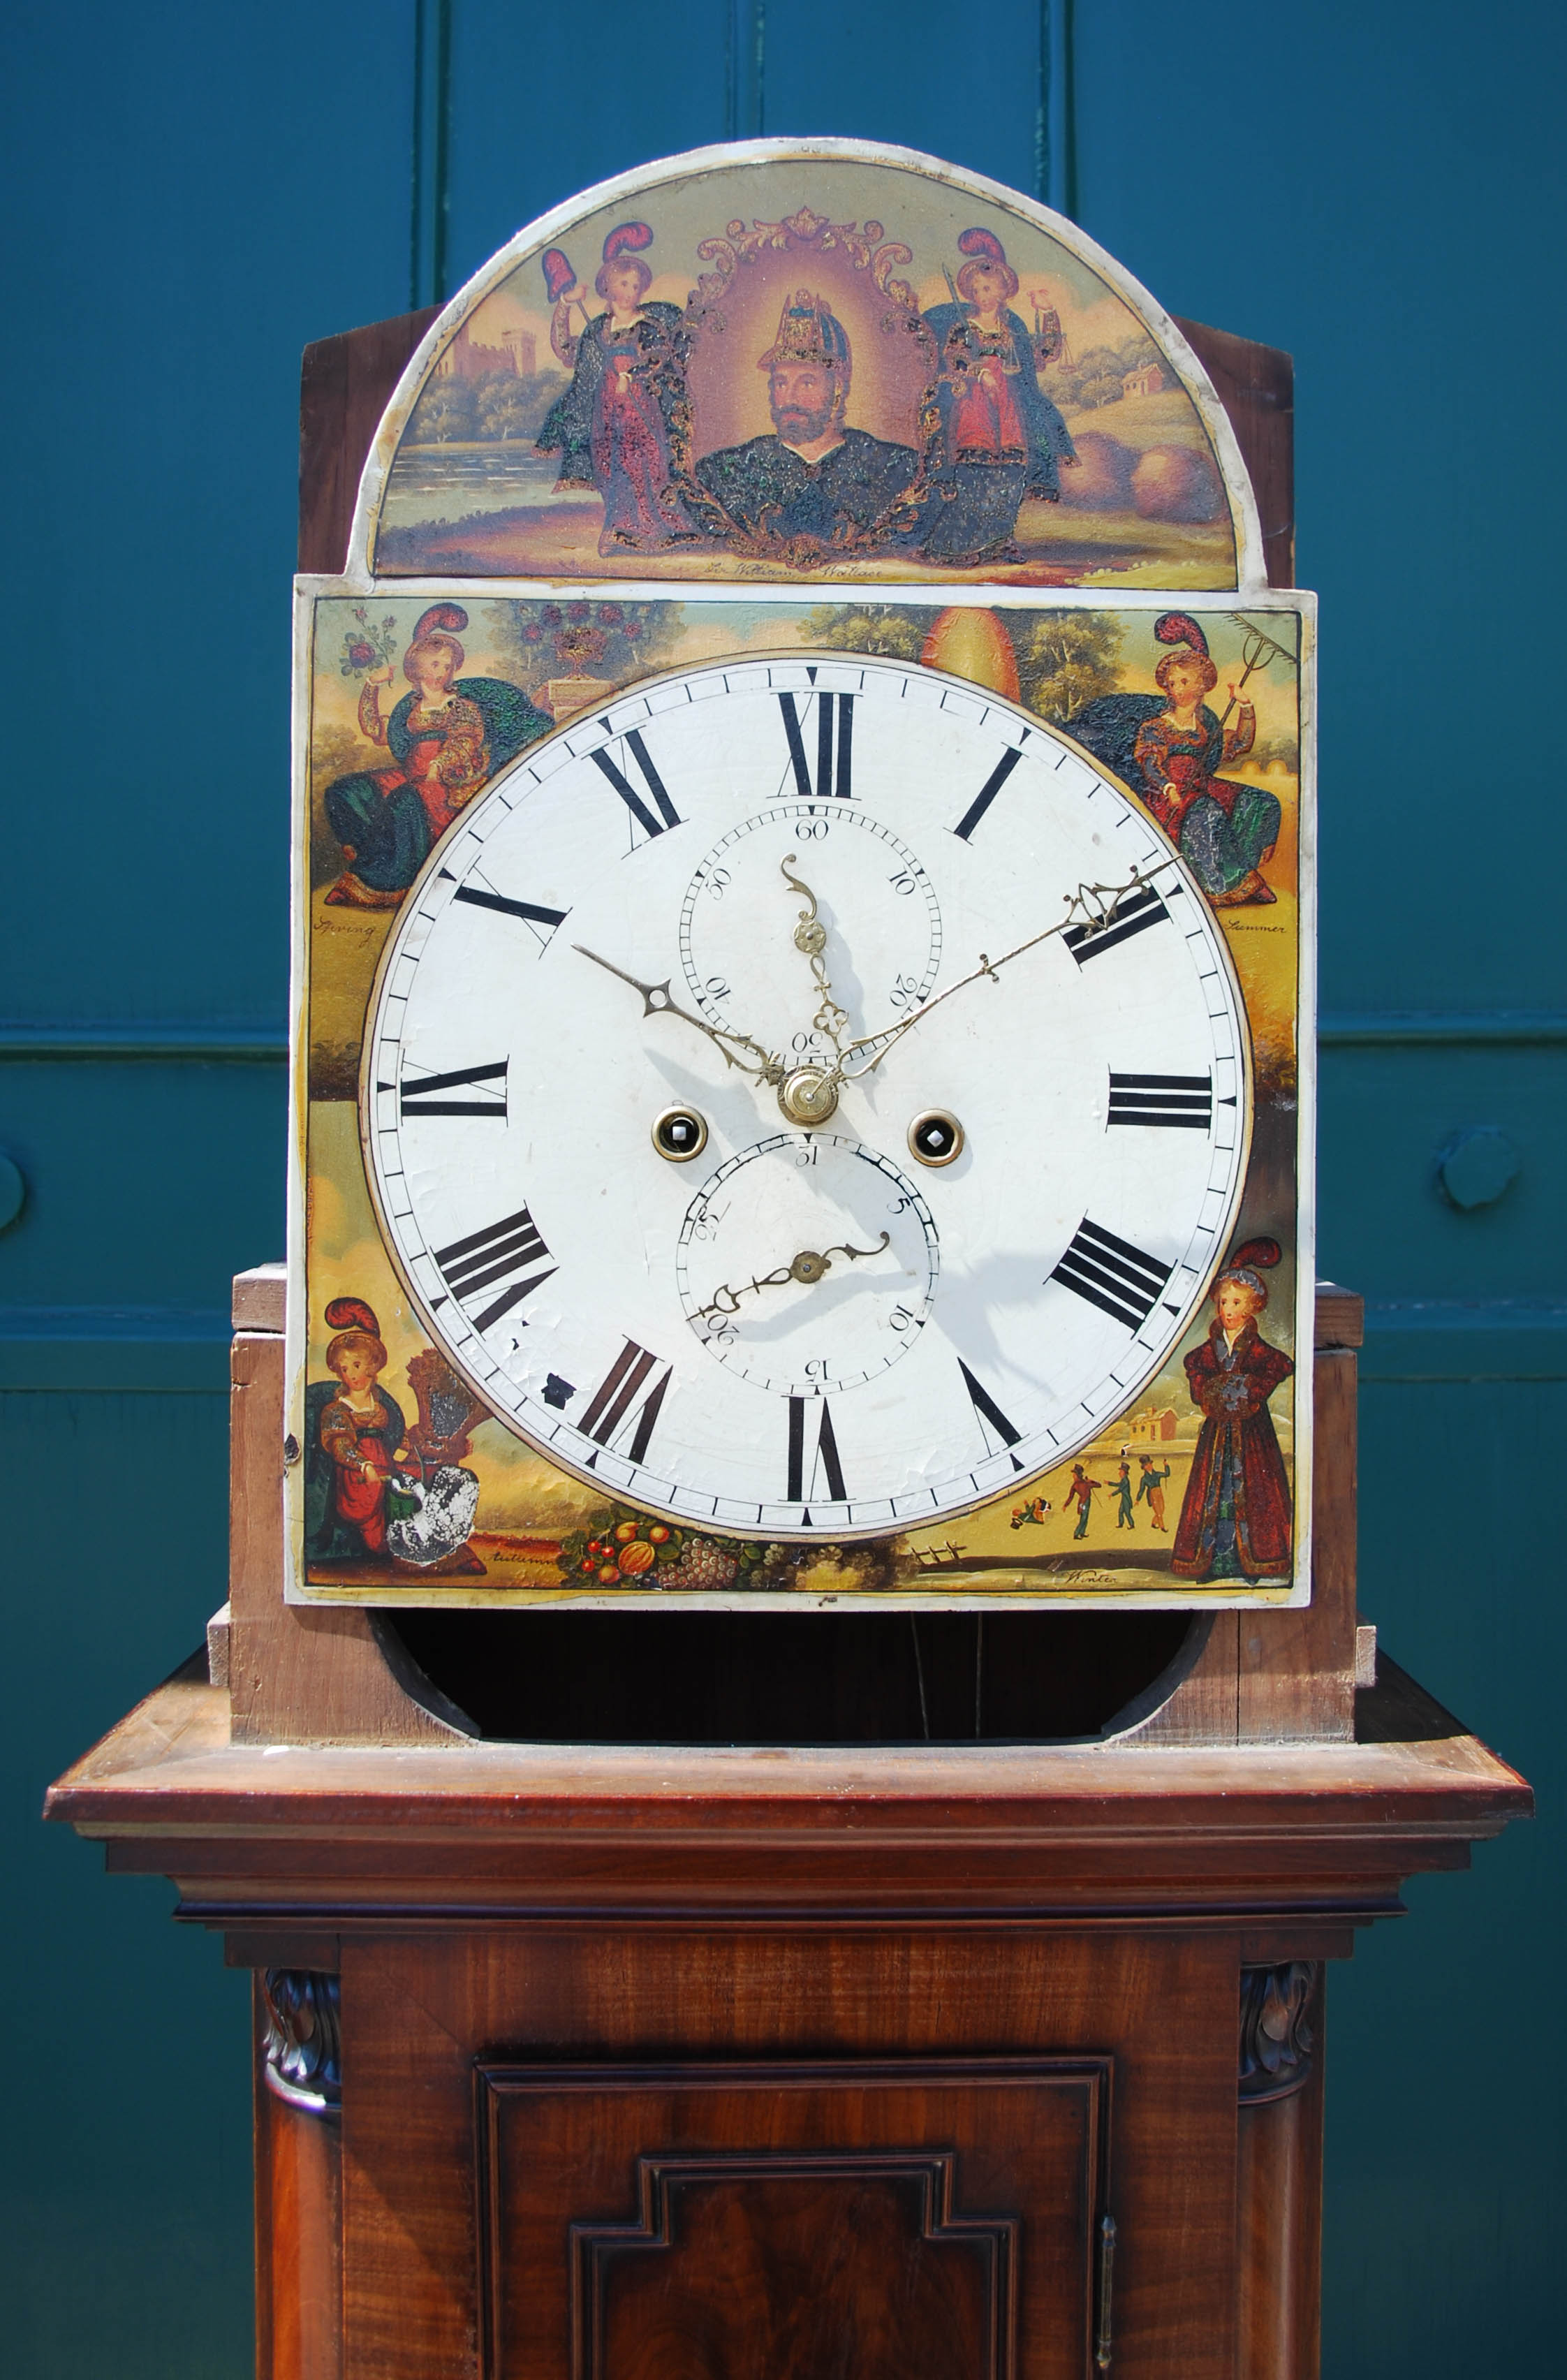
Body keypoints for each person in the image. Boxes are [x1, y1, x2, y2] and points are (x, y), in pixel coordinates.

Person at [323, 605, 549, 908]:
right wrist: (371, 686)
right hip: (412, 774)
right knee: (347, 791)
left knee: (406, 800)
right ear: (417, 670)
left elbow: (466, 741)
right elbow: (375, 729)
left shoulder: (460, 706)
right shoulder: (410, 708)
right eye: (435, 664)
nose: (441, 671)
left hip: (450, 780)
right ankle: (373, 857)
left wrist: (438, 766)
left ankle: (382, 882)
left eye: (446, 665)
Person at [1071, 615, 1281, 906]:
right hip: (1166, 794)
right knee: (1206, 811)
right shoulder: (1157, 726)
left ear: (1202, 686)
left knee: (1260, 802)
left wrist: (1245, 705)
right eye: (1171, 683)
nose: (1177, 689)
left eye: (1184, 681)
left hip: (1200, 786)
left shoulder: (1208, 725)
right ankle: (1217, 887)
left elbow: (1241, 744)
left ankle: (1241, 874)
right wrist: (1167, 786)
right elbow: (1149, 764)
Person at [693, 292, 919, 551]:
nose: (790, 398)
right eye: (781, 383)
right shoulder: (725, 472)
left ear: (837, 389)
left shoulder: (894, 469)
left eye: (807, 382)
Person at [536, 222, 698, 556]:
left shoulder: (654, 322)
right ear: (607, 287)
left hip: (643, 406)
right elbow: (568, 353)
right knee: (613, 466)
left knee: (650, 462)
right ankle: (621, 530)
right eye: (623, 283)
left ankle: (663, 529)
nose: (630, 290)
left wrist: (636, 375)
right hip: (607, 413)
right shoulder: (597, 330)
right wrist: (565, 304)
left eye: (636, 285)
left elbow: (672, 357)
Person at [918, 227, 1077, 566]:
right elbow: (955, 360)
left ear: (1004, 290)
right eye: (976, 289)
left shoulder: (1014, 328)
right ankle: (955, 547)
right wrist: (979, 372)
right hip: (974, 408)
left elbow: (1043, 354)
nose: (982, 294)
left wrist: (1047, 312)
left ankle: (999, 541)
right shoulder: (963, 327)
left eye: (988, 287)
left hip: (1010, 412)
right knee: (975, 477)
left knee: (1011, 475)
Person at [1172, 1240, 1295, 1582]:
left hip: (1252, 1436)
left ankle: (1253, 1562)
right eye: (1224, 1301)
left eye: (1237, 1302)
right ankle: (1211, 1563)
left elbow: (1277, 1368)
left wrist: (1247, 1390)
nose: (1228, 1308)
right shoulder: (1205, 1353)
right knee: (1214, 1492)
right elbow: (1198, 1381)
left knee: (1252, 1494)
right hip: (1215, 1439)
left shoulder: (1259, 1351)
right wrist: (1213, 1391)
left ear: (1252, 1307)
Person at [304, 1299, 410, 1563]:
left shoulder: (383, 1406)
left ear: (372, 1366)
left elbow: (397, 1437)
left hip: (384, 1468)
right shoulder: (337, 1410)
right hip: (355, 1478)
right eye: (344, 1368)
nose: (350, 1373)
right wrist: (364, 1466)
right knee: (375, 1527)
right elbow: (341, 1447)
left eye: (356, 1365)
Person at [1064, 1462, 1103, 1541]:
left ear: (1078, 1475)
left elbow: (1099, 1485)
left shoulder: (1086, 1483)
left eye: (1074, 1474)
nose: (1073, 1476)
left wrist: (1091, 1481)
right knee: (1084, 1518)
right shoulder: (1076, 1485)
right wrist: (1066, 1505)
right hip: (1083, 1503)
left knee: (1085, 1518)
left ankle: (1082, 1532)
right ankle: (1076, 1534)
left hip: (1086, 1502)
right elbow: (1071, 1497)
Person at [1136, 1454, 1171, 1531]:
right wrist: (1138, 1499)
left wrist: (1166, 1466)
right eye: (1146, 1465)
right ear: (1144, 1468)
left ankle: (1153, 1523)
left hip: (1159, 1492)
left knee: (1162, 1510)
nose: (1148, 1466)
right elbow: (1141, 1490)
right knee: (1158, 1511)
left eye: (1149, 1464)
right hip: (1152, 1494)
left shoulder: (1157, 1474)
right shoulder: (1144, 1479)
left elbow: (1167, 1474)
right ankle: (1162, 1527)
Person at [1110, 1460, 1136, 1529]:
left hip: (1126, 1500)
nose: (1119, 1473)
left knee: (1127, 1513)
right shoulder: (1124, 1480)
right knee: (1121, 1511)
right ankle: (1121, 1524)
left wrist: (1112, 1494)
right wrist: (1109, 1483)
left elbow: (1120, 1489)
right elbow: (1118, 1484)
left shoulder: (1125, 1481)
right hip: (1124, 1499)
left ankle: (1132, 1525)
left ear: (1125, 1473)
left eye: (1121, 1472)